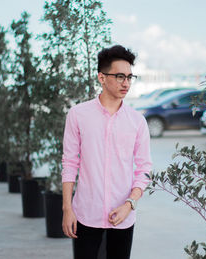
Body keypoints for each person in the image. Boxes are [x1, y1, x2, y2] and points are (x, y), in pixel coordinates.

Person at [61, 45, 152, 259]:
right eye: (120, 76)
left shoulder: (137, 122)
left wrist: (130, 204)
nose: (126, 83)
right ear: (102, 78)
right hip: (85, 214)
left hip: (123, 215)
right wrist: (67, 208)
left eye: (130, 77)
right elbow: (69, 163)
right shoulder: (78, 115)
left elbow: (144, 169)